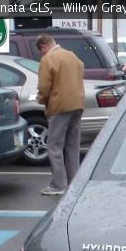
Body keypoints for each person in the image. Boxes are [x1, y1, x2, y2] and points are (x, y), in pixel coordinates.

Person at [35, 34, 85, 196]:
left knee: (54, 146)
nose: (42, 55)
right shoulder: (73, 56)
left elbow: (44, 86)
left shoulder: (48, 59)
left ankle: (58, 184)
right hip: (77, 105)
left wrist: (41, 99)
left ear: (43, 47)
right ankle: (74, 182)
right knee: (72, 146)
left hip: (59, 106)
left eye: (41, 51)